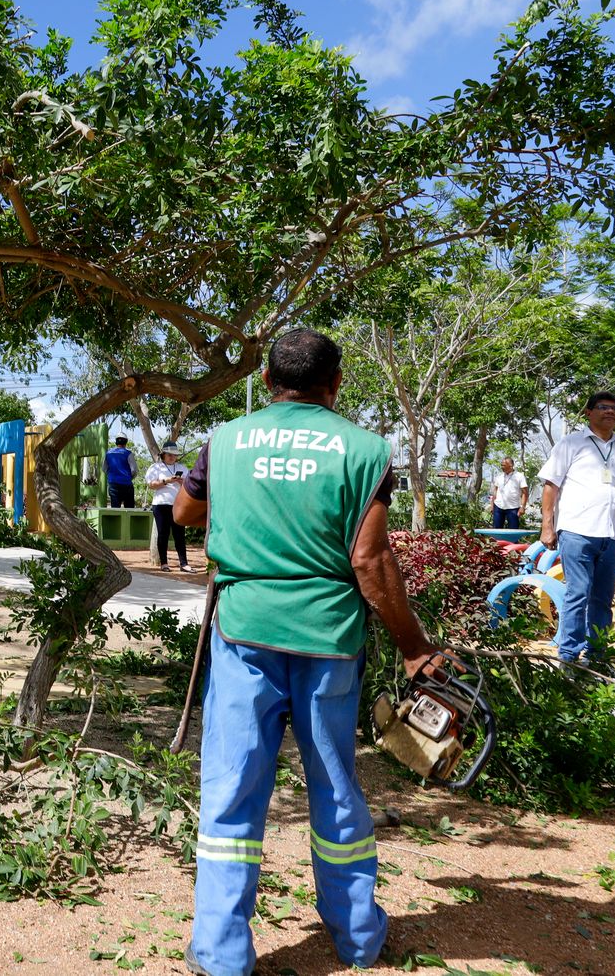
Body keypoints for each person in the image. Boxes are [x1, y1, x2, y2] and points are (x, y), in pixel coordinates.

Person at [173, 328, 437, 976]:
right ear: (336, 383)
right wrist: (413, 648)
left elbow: (182, 513)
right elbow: (370, 559)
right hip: (328, 641)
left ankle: (221, 952)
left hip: (244, 635)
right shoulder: (365, 450)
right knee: (335, 786)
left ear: (266, 381)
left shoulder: (226, 440)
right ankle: (357, 938)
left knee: (233, 787)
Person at [537, 391, 615, 669]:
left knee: (603, 598)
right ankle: (568, 657)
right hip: (577, 532)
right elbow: (550, 486)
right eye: (603, 407)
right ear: (588, 412)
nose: (610, 411)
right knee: (577, 593)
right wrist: (547, 525)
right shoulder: (571, 444)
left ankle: (596, 657)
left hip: (613, 536)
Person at [146, 442, 195, 572]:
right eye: (169, 455)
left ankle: (184, 563)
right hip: (161, 504)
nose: (172, 457)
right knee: (163, 534)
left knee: (180, 534)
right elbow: (151, 485)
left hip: (178, 505)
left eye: (174, 455)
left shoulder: (182, 467)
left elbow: (190, 485)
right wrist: (166, 481)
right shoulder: (155, 467)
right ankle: (164, 563)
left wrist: (181, 481)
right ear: (163, 455)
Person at [489, 457, 528, 528]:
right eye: (501, 465)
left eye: (504, 465)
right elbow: (495, 491)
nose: (502, 467)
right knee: (496, 531)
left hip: (513, 508)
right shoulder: (499, 476)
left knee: (513, 531)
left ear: (511, 465)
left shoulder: (519, 476)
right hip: (498, 507)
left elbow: (525, 493)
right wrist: (492, 505)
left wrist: (522, 507)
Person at [105, 435, 137, 508]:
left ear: (116, 442)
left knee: (115, 509)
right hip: (127, 485)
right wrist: (129, 478)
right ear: (126, 442)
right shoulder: (128, 453)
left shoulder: (108, 453)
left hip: (113, 484)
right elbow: (134, 470)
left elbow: (104, 468)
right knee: (129, 509)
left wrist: (111, 476)